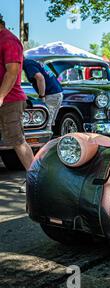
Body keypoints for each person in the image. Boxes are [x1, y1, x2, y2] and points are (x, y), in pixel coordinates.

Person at [0, 14, 34, 183]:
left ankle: (36, 179)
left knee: (17, 141)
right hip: (4, 99)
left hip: (10, 100)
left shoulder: (8, 40)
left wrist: (1, 96)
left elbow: (12, 72)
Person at [23, 58, 63, 131]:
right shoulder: (33, 61)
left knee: (45, 124)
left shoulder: (27, 64)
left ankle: (46, 141)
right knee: (49, 123)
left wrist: (42, 96)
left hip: (51, 94)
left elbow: (40, 78)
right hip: (57, 92)